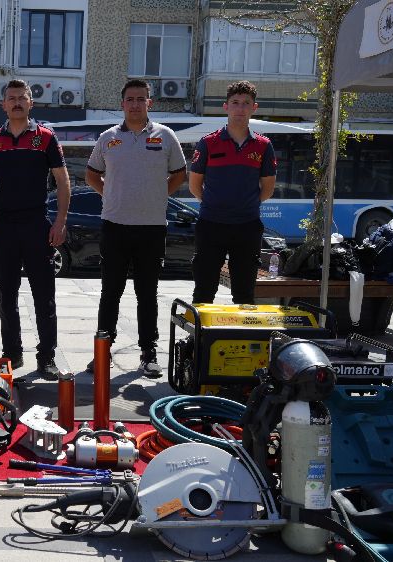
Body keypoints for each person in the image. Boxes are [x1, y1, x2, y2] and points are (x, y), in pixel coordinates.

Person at [85, 79, 187, 377]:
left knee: (147, 293)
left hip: (151, 228)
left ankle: (148, 352)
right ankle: (102, 352)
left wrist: (158, 196)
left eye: (141, 99)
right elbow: (92, 174)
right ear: (122, 104)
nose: (135, 104)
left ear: (149, 103)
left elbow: (180, 173)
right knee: (110, 292)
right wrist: (109, 194)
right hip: (114, 226)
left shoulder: (165, 136)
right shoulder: (108, 138)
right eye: (130, 99)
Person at [0, 79, 71, 377]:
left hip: (36, 225)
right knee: (6, 294)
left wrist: (60, 222)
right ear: (3, 104)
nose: (17, 102)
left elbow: (63, 181)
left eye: (22, 97)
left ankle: (47, 357)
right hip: (4, 227)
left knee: (44, 296)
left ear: (31, 103)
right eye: (11, 98)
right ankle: (12, 354)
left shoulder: (45, 137)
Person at [190, 80, 277, 304]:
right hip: (211, 225)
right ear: (226, 106)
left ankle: (243, 328)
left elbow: (268, 189)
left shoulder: (263, 145)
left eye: (246, 103)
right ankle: (200, 330)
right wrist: (214, 204)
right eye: (235, 102)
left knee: (244, 295)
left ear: (254, 108)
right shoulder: (208, 143)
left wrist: (245, 205)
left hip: (247, 226)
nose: (240, 108)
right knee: (203, 292)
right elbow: (194, 185)